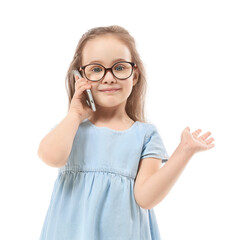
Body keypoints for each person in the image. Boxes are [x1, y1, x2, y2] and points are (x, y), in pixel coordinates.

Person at [38, 25, 215, 240]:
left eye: (119, 67)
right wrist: (75, 114)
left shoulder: (145, 135)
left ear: (135, 75)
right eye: (96, 69)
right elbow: (51, 157)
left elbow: (145, 197)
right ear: (80, 77)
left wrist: (184, 151)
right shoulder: (70, 128)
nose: (109, 77)